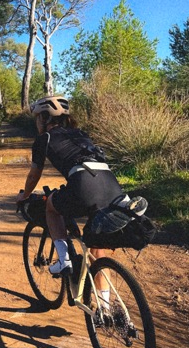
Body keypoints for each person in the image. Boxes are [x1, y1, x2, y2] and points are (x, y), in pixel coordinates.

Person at [16, 95, 132, 280]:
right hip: (111, 186)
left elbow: (33, 175)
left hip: (84, 185)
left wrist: (25, 195)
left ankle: (64, 261)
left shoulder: (43, 138)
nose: (37, 122)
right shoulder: (80, 134)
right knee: (97, 252)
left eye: (38, 118)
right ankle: (104, 307)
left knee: (51, 208)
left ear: (45, 118)